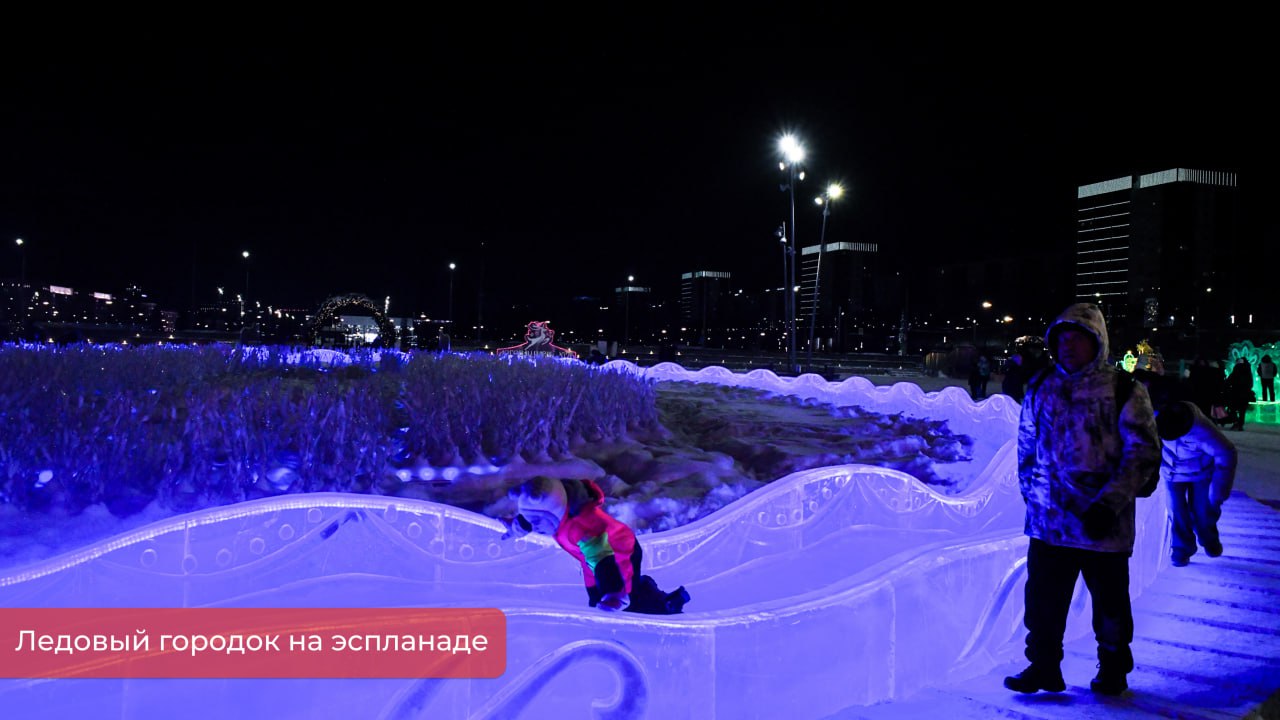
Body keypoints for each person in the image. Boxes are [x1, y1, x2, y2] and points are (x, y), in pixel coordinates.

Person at [1004, 303, 1161, 697]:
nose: (1068, 346)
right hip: (1049, 525)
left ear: (1098, 343)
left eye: (1078, 338)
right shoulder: (1041, 386)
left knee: (1109, 604)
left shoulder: (1123, 389)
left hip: (1102, 526)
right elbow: (1026, 450)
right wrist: (1034, 499)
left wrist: (1108, 505)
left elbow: (1142, 453)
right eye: (1062, 339)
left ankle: (1112, 669)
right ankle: (1043, 666)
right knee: (1042, 603)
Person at [501, 476, 690, 615]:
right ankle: (608, 607)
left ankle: (665, 605)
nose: (535, 526)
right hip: (589, 558)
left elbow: (602, 560)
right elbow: (530, 520)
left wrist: (614, 593)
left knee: (628, 595)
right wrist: (516, 527)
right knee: (595, 598)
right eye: (530, 519)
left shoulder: (579, 529)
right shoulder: (558, 516)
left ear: (556, 512)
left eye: (539, 520)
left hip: (620, 552)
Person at [1154, 401, 1236, 567]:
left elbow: (1226, 454)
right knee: (1177, 511)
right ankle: (1182, 548)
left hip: (1201, 474)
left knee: (1203, 510)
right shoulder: (1158, 418)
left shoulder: (1202, 430)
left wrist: (1218, 492)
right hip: (1171, 473)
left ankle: (1209, 538)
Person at [1223, 358, 1254, 431]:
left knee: (1233, 408)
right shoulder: (1248, 371)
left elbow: (1229, 381)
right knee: (1242, 410)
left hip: (1235, 392)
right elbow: (1251, 383)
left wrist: (1226, 387)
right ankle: (1240, 424)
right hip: (1245, 393)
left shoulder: (1236, 370)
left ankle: (1236, 422)